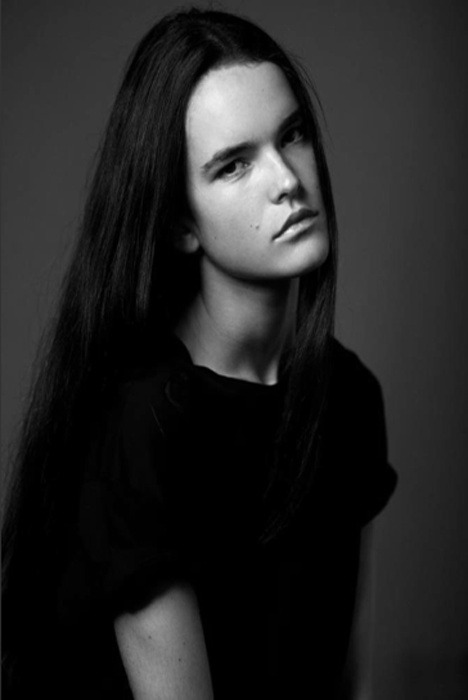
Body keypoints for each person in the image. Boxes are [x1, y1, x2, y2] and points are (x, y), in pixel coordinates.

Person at [2, 7, 397, 699]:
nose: (287, 179)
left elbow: (343, 679)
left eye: (293, 134)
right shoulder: (140, 423)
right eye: (235, 165)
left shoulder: (349, 396)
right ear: (180, 222)